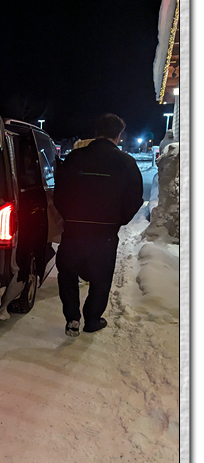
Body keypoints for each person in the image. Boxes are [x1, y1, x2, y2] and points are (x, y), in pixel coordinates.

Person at [53, 113, 143, 337]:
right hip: (105, 232)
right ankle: (92, 319)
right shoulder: (126, 162)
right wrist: (118, 220)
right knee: (101, 278)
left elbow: (59, 192)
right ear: (119, 135)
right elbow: (135, 198)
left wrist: (68, 216)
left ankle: (72, 317)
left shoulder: (74, 158)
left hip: (74, 229)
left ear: (96, 132)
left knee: (67, 272)